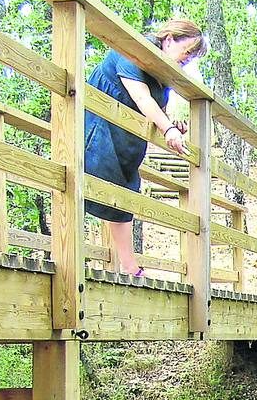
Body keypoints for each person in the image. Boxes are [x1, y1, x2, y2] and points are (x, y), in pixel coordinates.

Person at [84, 19, 208, 277]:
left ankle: (128, 267)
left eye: (191, 58)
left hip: (127, 138)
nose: (187, 60)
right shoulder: (135, 51)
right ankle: (122, 266)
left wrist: (173, 124)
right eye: (187, 53)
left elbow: (155, 106)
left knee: (124, 194)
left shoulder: (163, 74)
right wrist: (168, 128)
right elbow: (140, 97)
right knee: (97, 185)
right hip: (101, 125)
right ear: (170, 39)